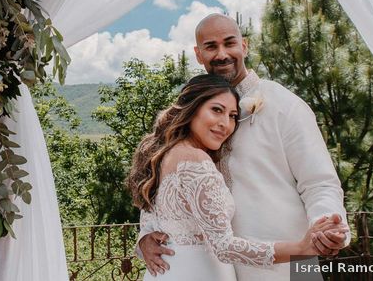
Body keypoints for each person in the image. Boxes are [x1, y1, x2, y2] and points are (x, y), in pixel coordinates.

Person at [136, 14, 350, 280]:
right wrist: (146, 235)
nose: (222, 54)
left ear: (244, 46)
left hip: (284, 267)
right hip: (215, 269)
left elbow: (319, 182)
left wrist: (325, 226)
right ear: (198, 54)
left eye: (230, 43)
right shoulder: (194, 115)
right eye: (211, 46)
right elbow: (161, 181)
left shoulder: (286, 105)